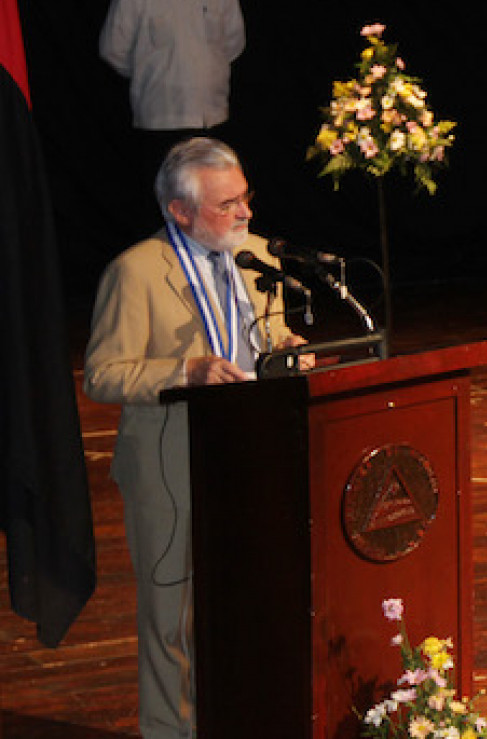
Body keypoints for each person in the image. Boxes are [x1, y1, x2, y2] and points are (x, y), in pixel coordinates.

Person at [84, 137, 308, 738]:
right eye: (226, 204)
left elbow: (270, 338)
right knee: (172, 618)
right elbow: (102, 375)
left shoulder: (259, 256)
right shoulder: (134, 272)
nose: (245, 215)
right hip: (170, 461)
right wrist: (186, 372)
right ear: (179, 211)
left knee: (253, 601)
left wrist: (288, 352)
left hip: (257, 451)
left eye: (245, 198)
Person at [99, 0, 246, 231]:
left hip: (212, 115)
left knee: (214, 202)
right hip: (160, 118)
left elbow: (233, 43)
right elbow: (113, 49)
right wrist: (150, 74)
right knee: (164, 209)